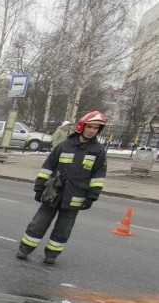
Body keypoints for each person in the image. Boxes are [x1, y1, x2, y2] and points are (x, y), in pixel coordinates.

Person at [15, 111, 108, 265]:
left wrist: (92, 196)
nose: (92, 130)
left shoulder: (98, 151)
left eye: (96, 128)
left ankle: (51, 255)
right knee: (39, 223)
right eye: (90, 126)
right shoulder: (64, 146)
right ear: (82, 126)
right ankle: (24, 249)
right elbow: (48, 167)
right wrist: (39, 187)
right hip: (53, 193)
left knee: (63, 229)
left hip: (76, 196)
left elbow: (98, 176)